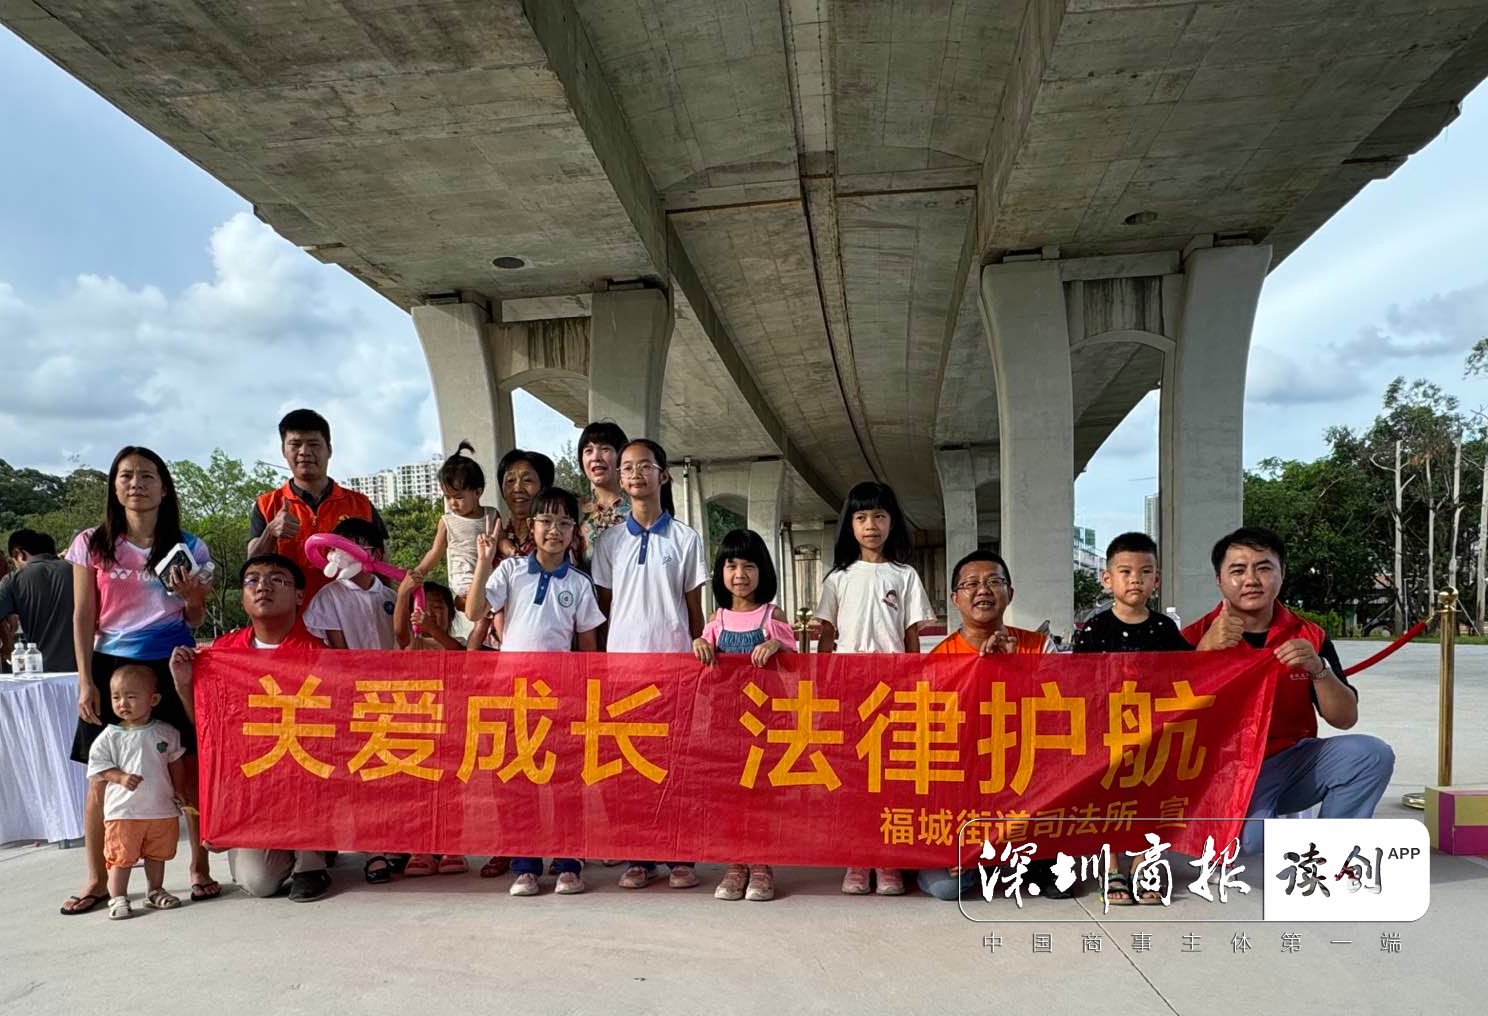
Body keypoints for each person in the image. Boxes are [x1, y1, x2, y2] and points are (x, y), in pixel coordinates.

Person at [59, 446, 216, 916]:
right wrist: (86, 680)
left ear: (164, 488)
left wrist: (192, 598)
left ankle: (199, 868)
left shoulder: (189, 546)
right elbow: (83, 615)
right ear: (114, 486)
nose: (136, 484)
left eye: (147, 476)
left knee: (187, 768)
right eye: (126, 475)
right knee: (99, 775)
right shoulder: (92, 543)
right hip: (111, 668)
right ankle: (96, 878)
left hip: (172, 663)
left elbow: (195, 617)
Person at [1183, 527, 1394, 855]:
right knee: (1250, 843)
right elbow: (1166, 721)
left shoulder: (1308, 635)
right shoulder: (1192, 637)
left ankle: (1332, 855)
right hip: (1222, 771)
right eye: (1238, 570)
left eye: (1263, 568)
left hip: (1290, 761)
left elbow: (1345, 718)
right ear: (1219, 580)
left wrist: (1318, 668)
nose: (1251, 579)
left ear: (1281, 573)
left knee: (1370, 754)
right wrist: (1202, 656)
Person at [170, 554, 333, 902]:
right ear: (243, 595)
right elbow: (209, 728)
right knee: (259, 882)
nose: (262, 587)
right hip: (252, 785)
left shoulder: (318, 652)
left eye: (277, 579)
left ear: (299, 596)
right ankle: (287, 844)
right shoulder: (223, 653)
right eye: (252, 580)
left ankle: (312, 859)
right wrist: (184, 684)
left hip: (301, 777)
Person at [472, 486, 604, 896]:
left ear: (575, 531)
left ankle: (568, 863)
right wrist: (483, 561)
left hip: (560, 697)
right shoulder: (511, 571)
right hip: (512, 695)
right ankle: (525, 865)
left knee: (564, 782)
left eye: (564, 523)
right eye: (546, 521)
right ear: (532, 526)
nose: (554, 530)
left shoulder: (580, 584)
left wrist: (585, 701)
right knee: (515, 781)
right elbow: (474, 610)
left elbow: (588, 650)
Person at [592, 439, 707, 890]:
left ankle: (679, 856)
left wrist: (698, 664)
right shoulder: (609, 541)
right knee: (630, 765)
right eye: (627, 468)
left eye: (645, 466)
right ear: (620, 479)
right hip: (623, 671)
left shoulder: (685, 539)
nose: (635, 474)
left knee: (674, 764)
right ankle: (638, 857)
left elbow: (694, 611)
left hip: (674, 669)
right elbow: (603, 611)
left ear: (664, 476)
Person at [815, 480, 936, 896]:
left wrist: (915, 685)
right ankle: (857, 856)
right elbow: (826, 637)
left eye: (880, 516)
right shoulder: (838, 578)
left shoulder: (905, 575)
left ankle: (887, 859)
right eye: (862, 517)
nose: (871, 525)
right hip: (849, 688)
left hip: (893, 688)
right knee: (853, 775)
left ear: (892, 522)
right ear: (849, 525)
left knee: (889, 775)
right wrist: (824, 687)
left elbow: (911, 637)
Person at [693, 528, 794, 902]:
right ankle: (735, 863)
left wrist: (776, 644)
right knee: (729, 794)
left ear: (762, 570)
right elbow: (701, 666)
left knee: (762, 795)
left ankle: (762, 864)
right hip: (726, 724)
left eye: (749, 565)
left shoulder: (772, 615)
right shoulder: (716, 619)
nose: (740, 574)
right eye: (731, 565)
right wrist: (699, 643)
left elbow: (796, 661)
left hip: (765, 724)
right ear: (720, 571)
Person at [247, 408, 385, 600]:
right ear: (284, 451)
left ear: (329, 450)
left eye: (313, 444)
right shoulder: (266, 505)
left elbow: (382, 566)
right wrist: (270, 532)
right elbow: (251, 566)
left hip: (353, 613)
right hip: (291, 614)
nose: (304, 452)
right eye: (295, 444)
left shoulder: (360, 505)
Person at [86, 665, 187, 919]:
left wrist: (180, 790)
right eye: (116, 697)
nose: (122, 703)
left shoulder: (167, 733)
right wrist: (119, 777)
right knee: (121, 856)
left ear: (153, 699)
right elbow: (98, 767)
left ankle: (155, 890)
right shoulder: (110, 736)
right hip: (124, 812)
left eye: (131, 697)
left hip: (160, 808)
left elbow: (175, 763)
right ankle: (118, 897)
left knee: (157, 853)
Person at [411, 441, 500, 637]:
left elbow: (501, 541)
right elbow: (436, 551)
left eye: (458, 497)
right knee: (480, 621)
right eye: (447, 497)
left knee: (491, 619)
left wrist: (511, 550)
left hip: (489, 579)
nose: (452, 503)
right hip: (463, 581)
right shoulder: (447, 521)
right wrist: (420, 571)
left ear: (478, 491)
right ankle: (472, 652)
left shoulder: (491, 515)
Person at [1072, 532, 1191, 654]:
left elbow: (1188, 663)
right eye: (1126, 571)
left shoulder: (1166, 628)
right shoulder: (1095, 628)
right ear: (1107, 579)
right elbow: (1079, 665)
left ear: (1156, 579)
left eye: (1145, 571)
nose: (1135, 579)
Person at [301, 517, 398, 651]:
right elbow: (339, 650)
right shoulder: (329, 596)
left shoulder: (391, 596)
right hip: (351, 664)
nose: (344, 555)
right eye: (339, 549)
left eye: (353, 548)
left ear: (376, 554)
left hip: (392, 664)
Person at [929, 550, 1050, 656]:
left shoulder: (1040, 648)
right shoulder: (937, 661)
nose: (983, 590)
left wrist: (1014, 665)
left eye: (994, 582)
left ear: (1010, 594)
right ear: (955, 599)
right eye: (971, 584)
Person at [0, 528, 77, 672]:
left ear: (19, 554)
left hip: (40, 670)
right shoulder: (79, 572)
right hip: (87, 669)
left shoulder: (13, 580)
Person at [576, 421, 630, 565]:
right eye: (588, 451)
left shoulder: (639, 508)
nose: (596, 457)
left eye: (605, 449)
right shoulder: (574, 509)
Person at [393, 576, 462, 651]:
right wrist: (403, 593)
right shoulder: (413, 641)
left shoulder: (460, 642)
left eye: (436, 607)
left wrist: (432, 629)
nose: (428, 614)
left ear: (451, 613)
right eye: (422, 608)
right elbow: (400, 633)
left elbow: (460, 651)